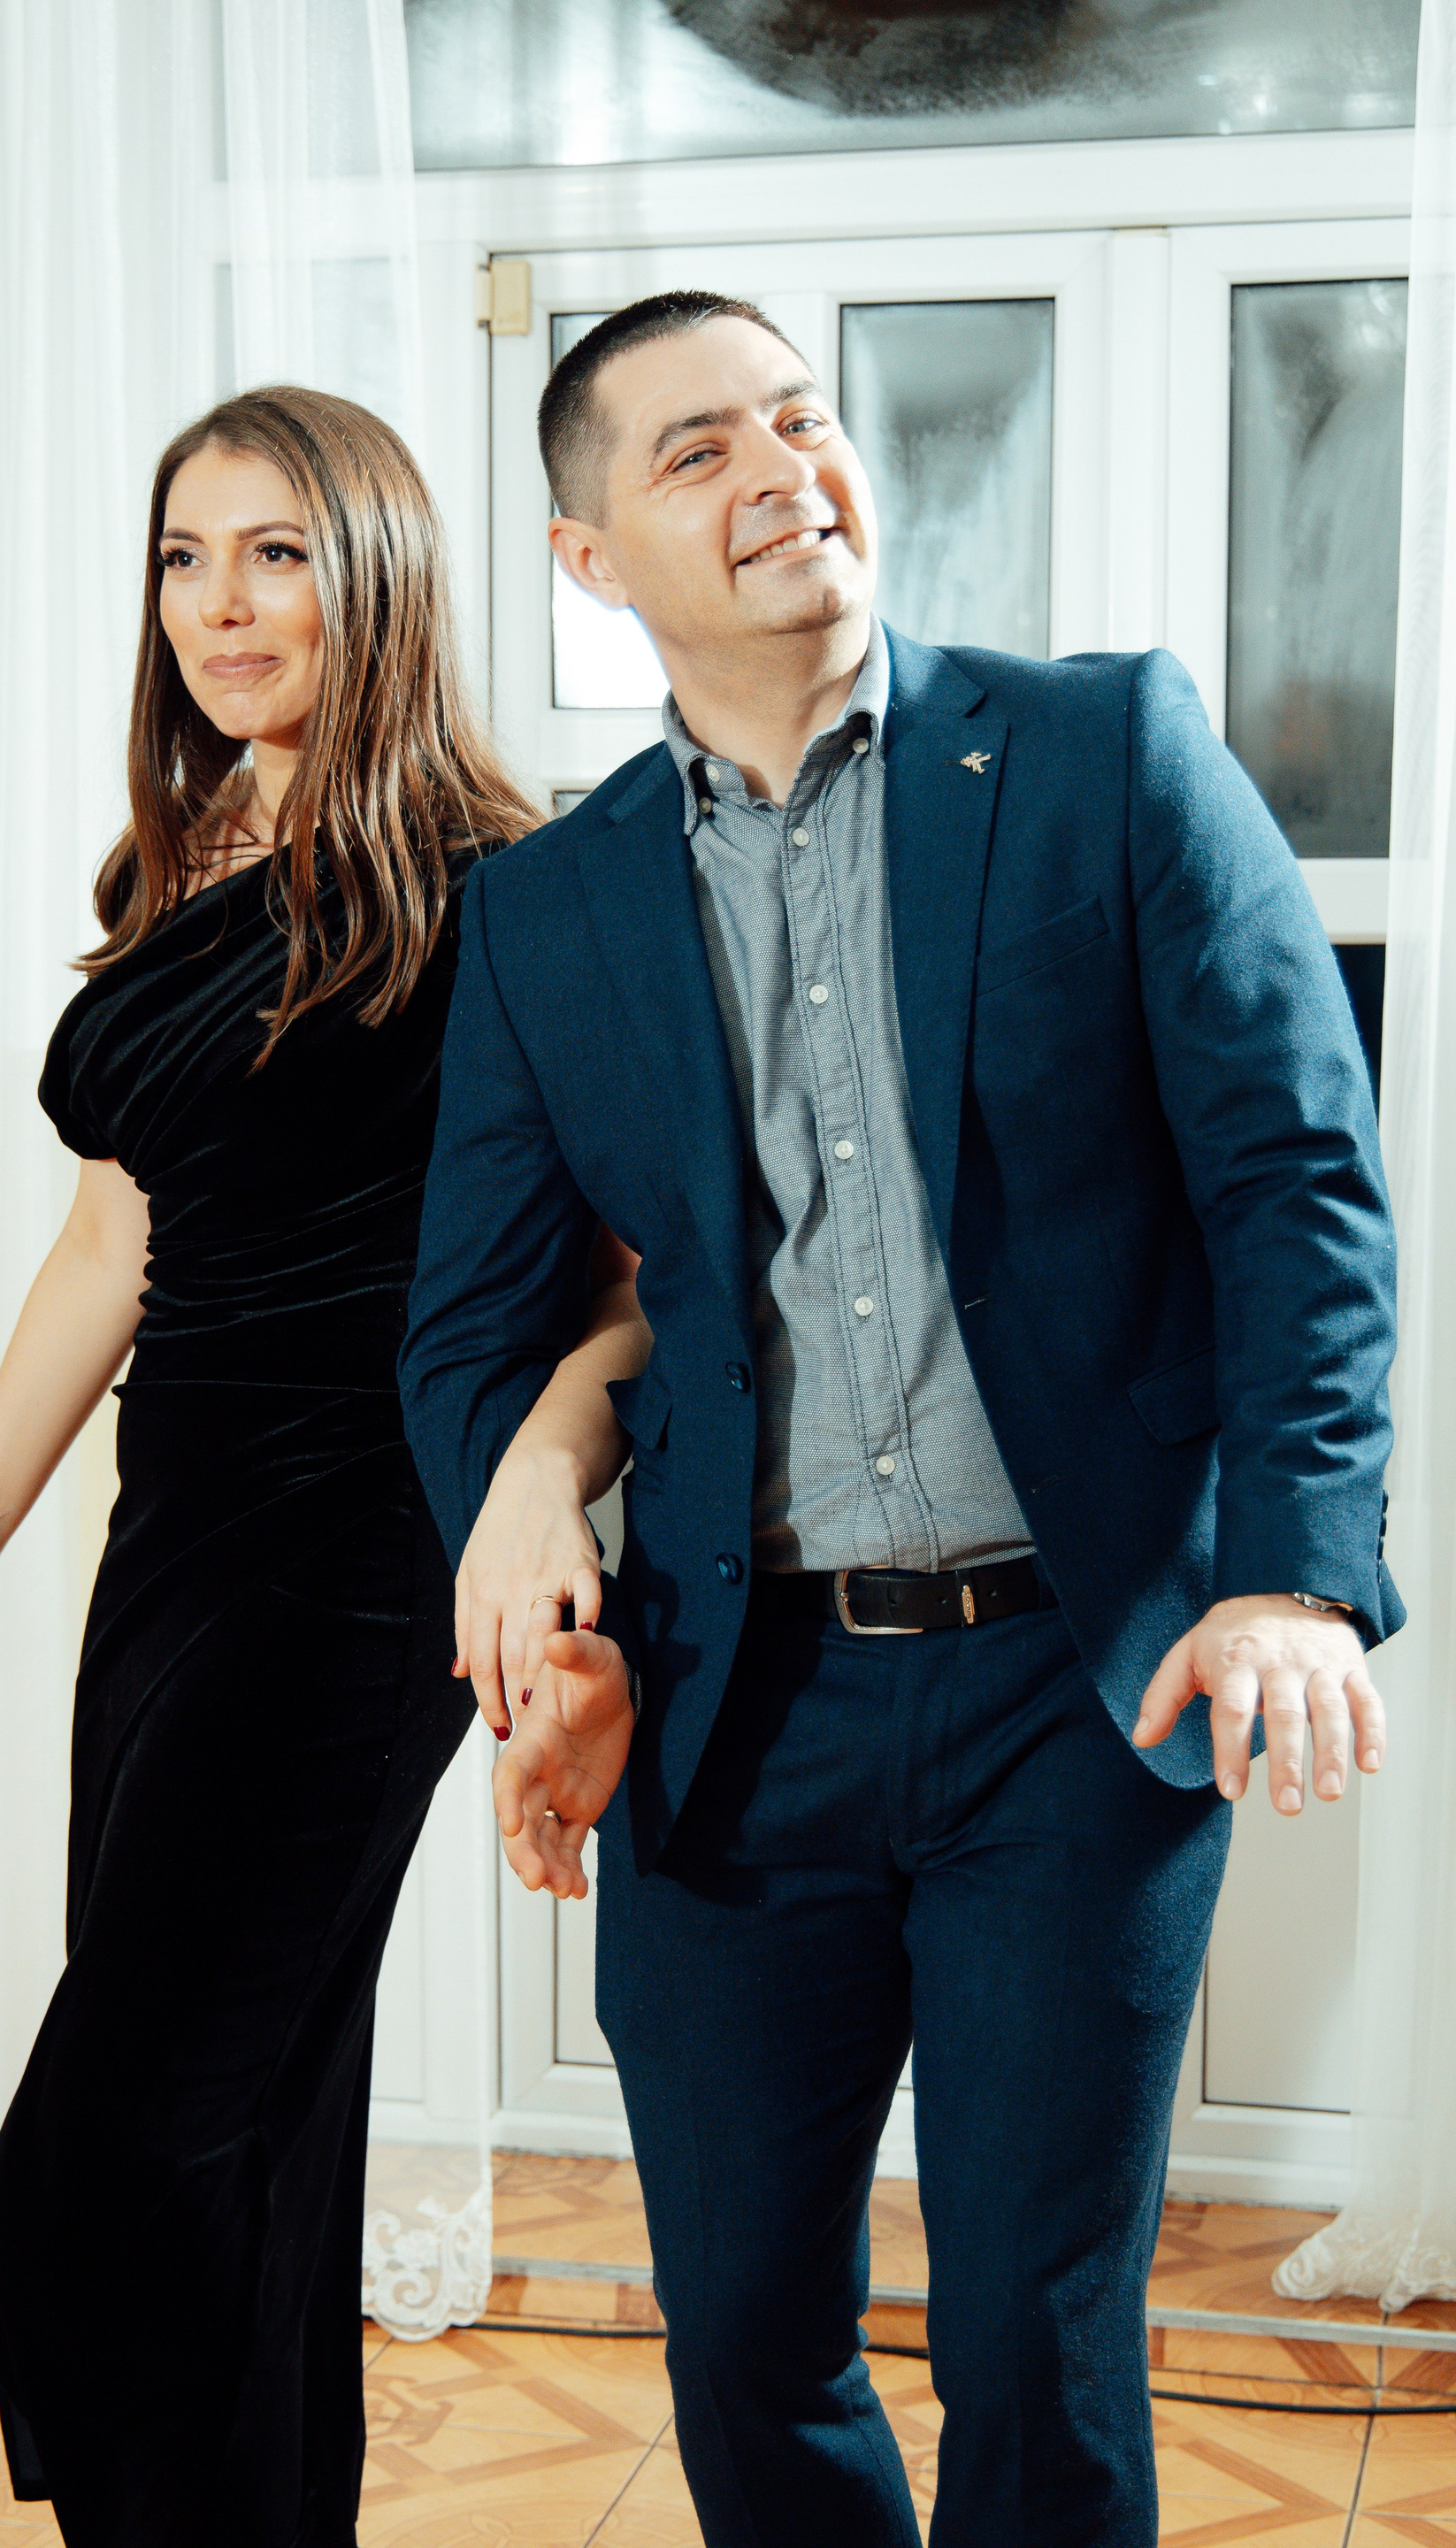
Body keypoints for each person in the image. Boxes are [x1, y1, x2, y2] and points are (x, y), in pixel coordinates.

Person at [398, 293, 1400, 2547]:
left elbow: (1296, 1183)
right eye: (696, 452)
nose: (780, 469)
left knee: (1038, 2339)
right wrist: (528, 1544)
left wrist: (1289, 1573)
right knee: (745, 2330)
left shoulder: (1106, 754)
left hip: (1080, 1688)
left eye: (799, 416)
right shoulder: (544, 913)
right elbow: (470, 1326)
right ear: (589, 561)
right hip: (733, 1713)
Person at [0, 385, 648, 2548]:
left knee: (92, 2200)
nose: (220, 606)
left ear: (375, 574)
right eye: (183, 559)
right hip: (176, 1550)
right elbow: (113, 1241)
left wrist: (545, 1521)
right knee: (250, 2152)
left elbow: (630, 1276)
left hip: (366, 1562)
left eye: (277, 553)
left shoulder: (513, 889)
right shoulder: (182, 863)